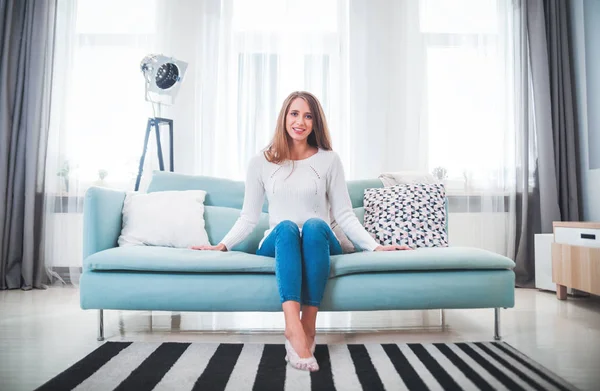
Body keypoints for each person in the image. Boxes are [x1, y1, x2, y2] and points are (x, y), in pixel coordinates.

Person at [192, 91, 411, 372]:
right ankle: (292, 327)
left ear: (315, 122)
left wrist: (375, 246)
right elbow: (249, 217)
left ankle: (309, 323)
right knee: (285, 228)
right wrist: (222, 245)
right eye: (294, 114)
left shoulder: (329, 160)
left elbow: (344, 213)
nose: (300, 121)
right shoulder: (262, 162)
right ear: (284, 117)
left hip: (317, 239)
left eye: (308, 116)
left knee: (314, 225)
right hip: (280, 241)